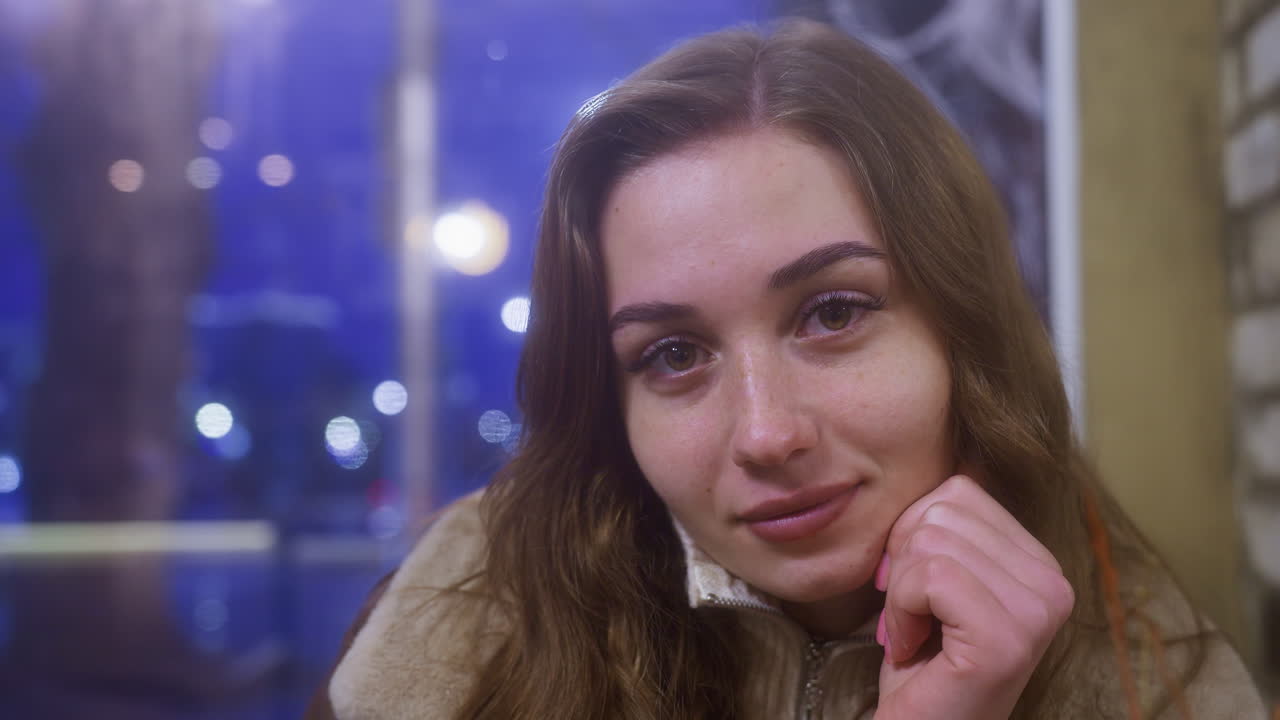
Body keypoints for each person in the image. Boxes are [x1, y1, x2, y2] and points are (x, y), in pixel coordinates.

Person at [307, 19, 1265, 720]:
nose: (768, 433)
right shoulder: (470, 618)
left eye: (834, 313)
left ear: (962, 329)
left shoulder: (1146, 665)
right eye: (673, 355)